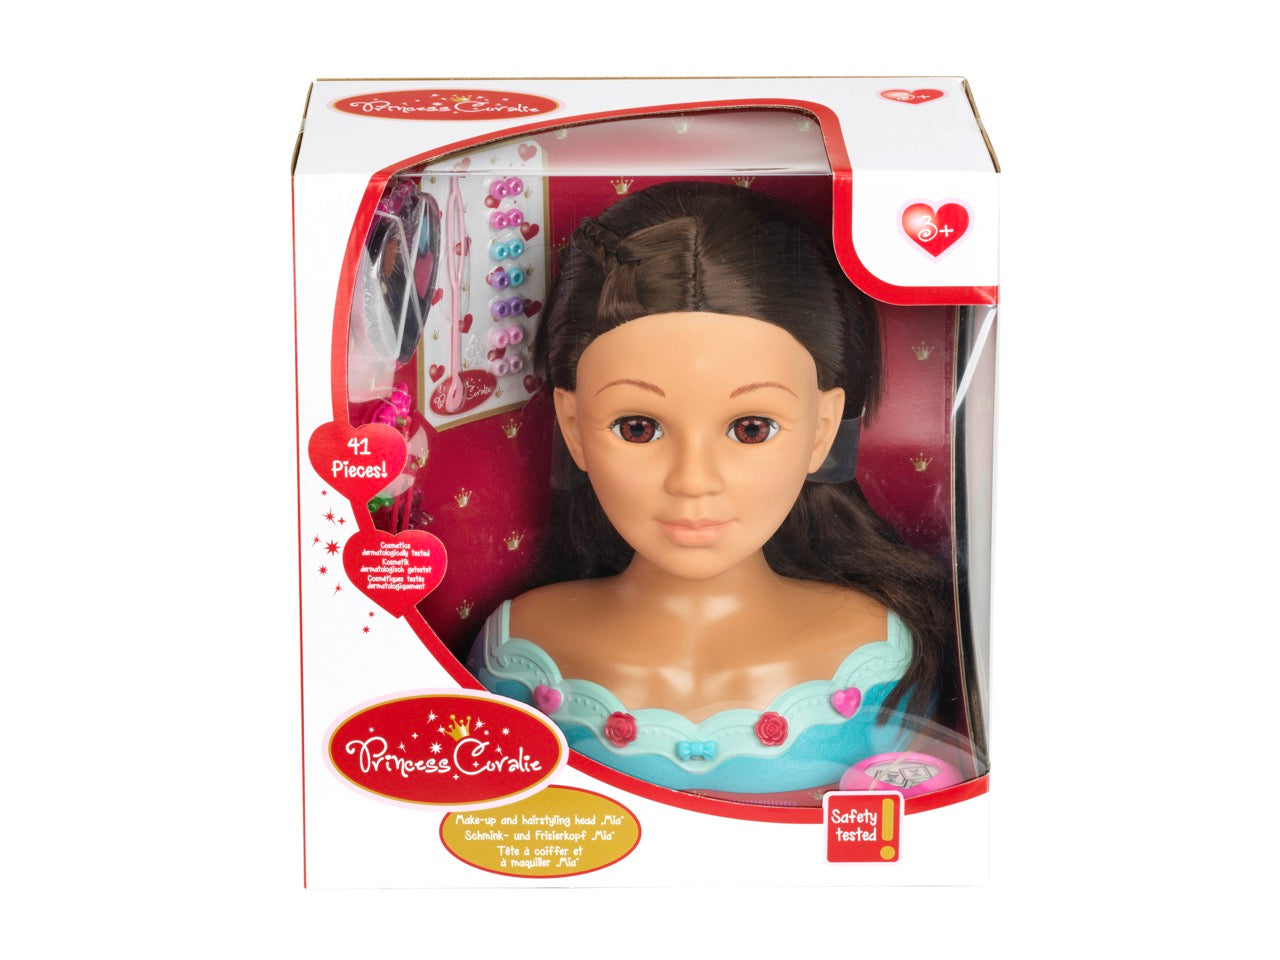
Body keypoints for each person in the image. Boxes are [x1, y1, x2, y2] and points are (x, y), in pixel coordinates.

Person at [470, 182, 957, 799]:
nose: (693, 480)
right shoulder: (521, 652)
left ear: (822, 429)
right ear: (572, 427)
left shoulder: (876, 661)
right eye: (637, 428)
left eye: (751, 429)